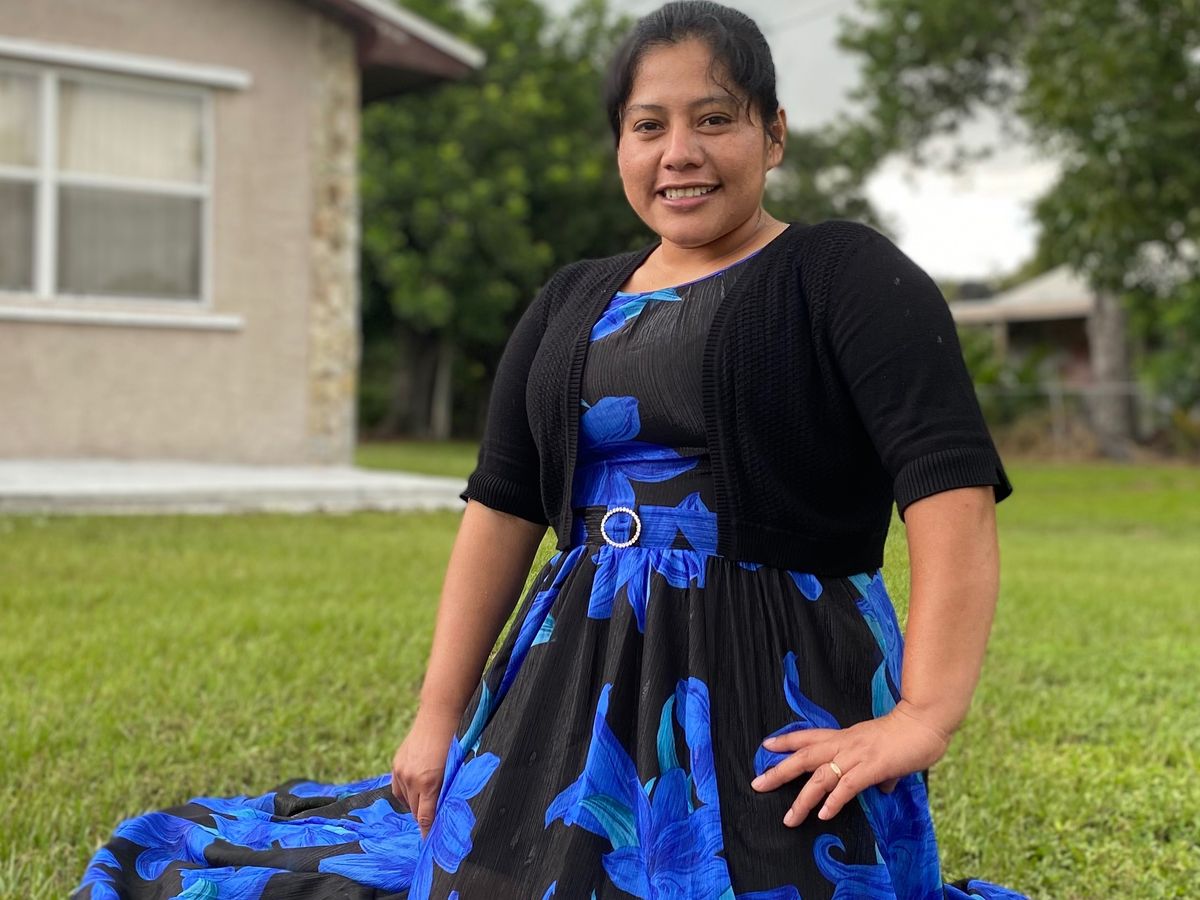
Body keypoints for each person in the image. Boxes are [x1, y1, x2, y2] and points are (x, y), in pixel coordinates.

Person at [74, 2, 1029, 898]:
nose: (680, 153)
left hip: (775, 688)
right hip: (572, 676)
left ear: (773, 135)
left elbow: (948, 489)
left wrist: (921, 717)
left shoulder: (843, 273)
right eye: (648, 126)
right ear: (621, 146)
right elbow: (503, 506)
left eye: (715, 119)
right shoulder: (573, 297)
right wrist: (438, 716)